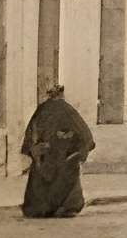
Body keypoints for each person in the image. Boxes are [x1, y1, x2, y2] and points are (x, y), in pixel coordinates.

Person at [18, 82, 94, 219]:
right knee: (66, 178)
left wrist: (34, 149)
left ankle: (41, 209)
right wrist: (78, 149)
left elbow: (31, 134)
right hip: (62, 156)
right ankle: (65, 207)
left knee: (42, 180)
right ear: (61, 94)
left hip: (45, 156)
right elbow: (84, 135)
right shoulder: (67, 110)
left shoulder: (42, 109)